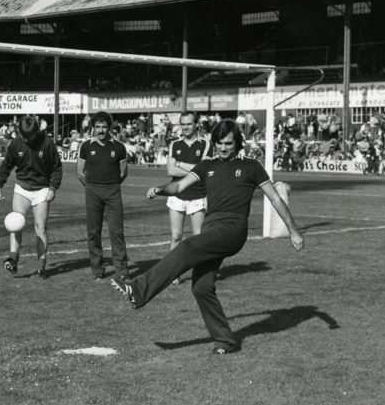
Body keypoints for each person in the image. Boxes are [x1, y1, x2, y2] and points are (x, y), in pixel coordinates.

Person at [111, 119, 305, 355]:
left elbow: (275, 198)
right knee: (201, 287)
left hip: (233, 229)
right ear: (214, 143)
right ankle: (226, 341)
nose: (224, 148)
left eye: (229, 144)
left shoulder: (252, 166)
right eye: (220, 144)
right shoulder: (206, 165)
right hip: (211, 227)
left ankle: (139, 290)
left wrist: (293, 230)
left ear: (238, 143)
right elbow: (180, 186)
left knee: (184, 248)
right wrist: (161, 189)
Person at [0, 115, 63, 278]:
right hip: (22, 188)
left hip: (42, 190)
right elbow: (7, 164)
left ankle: (42, 267)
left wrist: (53, 187)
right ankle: (13, 260)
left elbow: (57, 168)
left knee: (40, 228)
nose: (25, 140)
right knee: (16, 224)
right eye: (23, 136)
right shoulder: (16, 143)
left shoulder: (47, 143)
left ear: (36, 132)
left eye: (28, 137)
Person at [76, 110, 130, 281]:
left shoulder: (119, 147)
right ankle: (97, 269)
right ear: (93, 128)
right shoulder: (86, 146)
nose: (101, 130)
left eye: (104, 127)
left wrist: (111, 185)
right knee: (93, 231)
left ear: (109, 128)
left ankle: (121, 271)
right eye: (97, 127)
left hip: (113, 191)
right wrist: (92, 187)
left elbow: (123, 172)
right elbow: (79, 172)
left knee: (116, 231)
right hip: (92, 190)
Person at [165, 111, 212, 285]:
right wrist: (194, 169)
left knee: (198, 237)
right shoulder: (175, 144)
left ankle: (200, 273)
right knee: (176, 235)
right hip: (177, 195)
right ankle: (173, 272)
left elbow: (205, 169)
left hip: (198, 195)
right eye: (182, 124)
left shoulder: (206, 144)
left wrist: (179, 164)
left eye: (188, 124)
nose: (185, 127)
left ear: (196, 125)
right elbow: (170, 171)